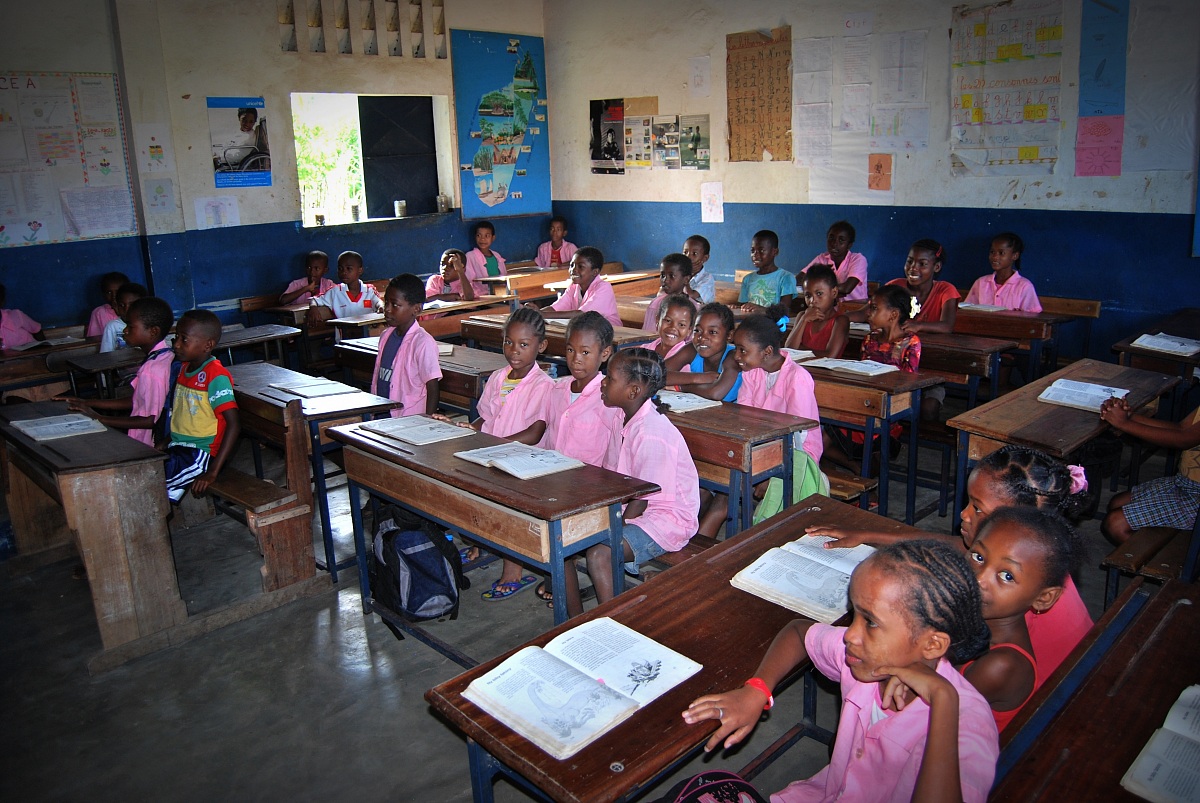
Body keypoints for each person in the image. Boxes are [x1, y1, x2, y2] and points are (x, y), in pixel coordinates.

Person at [682, 539, 997, 802]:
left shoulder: (967, 726)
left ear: (932, 645)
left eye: (870, 622)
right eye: (854, 615)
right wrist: (757, 689)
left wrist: (943, 699)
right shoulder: (867, 659)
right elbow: (798, 633)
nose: (850, 635)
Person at [808, 444, 1095, 680]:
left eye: (978, 508)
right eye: (969, 502)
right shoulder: (1032, 561)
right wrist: (866, 534)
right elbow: (956, 546)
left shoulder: (1023, 594)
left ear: (1016, 523)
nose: (964, 515)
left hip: (1041, 708)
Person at [564, 348, 697, 617]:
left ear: (633, 391)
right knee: (562, 538)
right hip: (630, 507)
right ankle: (575, 620)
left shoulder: (652, 432)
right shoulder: (620, 417)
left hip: (665, 520)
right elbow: (613, 473)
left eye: (610, 378)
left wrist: (610, 526)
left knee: (600, 553)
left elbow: (643, 498)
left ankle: (617, 624)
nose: (602, 381)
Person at [697, 313, 822, 537]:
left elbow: (799, 435)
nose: (736, 356)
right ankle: (692, 550)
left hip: (795, 455)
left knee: (726, 495)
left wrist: (770, 472)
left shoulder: (797, 378)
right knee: (705, 481)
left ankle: (702, 558)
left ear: (766, 352)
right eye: (736, 348)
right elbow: (744, 417)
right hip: (758, 446)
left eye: (743, 350)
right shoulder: (753, 373)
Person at [534, 312, 624, 607]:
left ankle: (575, 614)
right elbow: (548, 439)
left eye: (586, 352)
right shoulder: (557, 389)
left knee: (558, 544)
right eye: (571, 350)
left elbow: (613, 454)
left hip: (589, 492)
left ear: (605, 353)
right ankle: (566, 603)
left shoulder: (608, 398)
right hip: (553, 485)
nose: (576, 359)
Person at [963, 506, 1081, 731]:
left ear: (1044, 598)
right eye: (978, 557)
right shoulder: (977, 621)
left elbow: (922, 715)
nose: (979, 578)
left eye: (1006, 575)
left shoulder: (1002, 665)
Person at [469, 307, 554, 601]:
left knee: (512, 510)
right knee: (474, 491)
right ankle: (483, 541)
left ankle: (513, 568)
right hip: (493, 453)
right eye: (508, 342)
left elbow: (536, 432)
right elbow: (484, 417)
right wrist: (466, 432)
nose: (514, 351)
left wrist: (498, 446)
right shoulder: (497, 378)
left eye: (523, 345)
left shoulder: (545, 386)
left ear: (540, 347)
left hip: (525, 462)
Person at [823, 285, 921, 472]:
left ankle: (867, 481)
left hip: (889, 409)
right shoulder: (870, 339)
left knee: (874, 456)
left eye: (874, 308)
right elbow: (863, 371)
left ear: (893, 315)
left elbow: (908, 382)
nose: (868, 313)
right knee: (822, 441)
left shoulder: (911, 342)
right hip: (862, 403)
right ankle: (855, 468)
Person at [64, 296, 175, 446]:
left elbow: (149, 420)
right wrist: (88, 402)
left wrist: (99, 418)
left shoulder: (152, 370)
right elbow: (137, 401)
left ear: (153, 332)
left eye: (130, 326)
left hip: (147, 442)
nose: (125, 331)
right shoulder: (165, 355)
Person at [1099, 396, 1200, 545]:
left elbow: (1184, 438)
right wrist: (1129, 417)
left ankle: (1166, 564)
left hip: (1196, 495)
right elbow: (1181, 428)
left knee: (1116, 524)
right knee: (1117, 503)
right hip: (1185, 483)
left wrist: (1123, 423)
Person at [162, 310, 239, 502]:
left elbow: (234, 424)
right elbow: (184, 416)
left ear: (208, 345)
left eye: (184, 339)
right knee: (147, 472)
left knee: (153, 484)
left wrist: (213, 472)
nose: (176, 344)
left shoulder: (215, 376)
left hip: (200, 453)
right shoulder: (184, 369)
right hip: (179, 446)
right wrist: (163, 443)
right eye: (176, 337)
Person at [879, 238, 958, 420]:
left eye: (922, 264)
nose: (913, 268)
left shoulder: (945, 290)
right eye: (909, 261)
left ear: (936, 268)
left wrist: (918, 325)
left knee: (928, 407)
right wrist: (842, 317)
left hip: (928, 368)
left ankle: (918, 444)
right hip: (893, 366)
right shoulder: (895, 287)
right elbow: (868, 311)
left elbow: (947, 325)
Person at [371, 273, 441, 418]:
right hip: (382, 412)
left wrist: (429, 421)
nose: (388, 309)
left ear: (416, 309)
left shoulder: (423, 342)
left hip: (409, 418)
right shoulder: (386, 336)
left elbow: (432, 387)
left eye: (395, 305)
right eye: (386, 303)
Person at [667, 302, 742, 402]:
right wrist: (698, 378)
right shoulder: (692, 350)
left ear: (729, 335)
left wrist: (682, 388)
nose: (702, 338)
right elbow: (656, 373)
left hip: (732, 415)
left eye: (712, 332)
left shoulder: (733, 357)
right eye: (697, 330)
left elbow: (715, 393)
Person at [538, 246, 622, 328]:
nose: (573, 270)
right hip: (586, 331)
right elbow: (555, 308)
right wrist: (534, 313)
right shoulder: (574, 287)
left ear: (595, 272)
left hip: (611, 333)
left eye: (580, 267)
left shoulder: (604, 287)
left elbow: (582, 314)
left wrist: (543, 314)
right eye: (571, 265)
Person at [307, 250, 383, 340]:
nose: (344, 272)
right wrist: (313, 308)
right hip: (345, 342)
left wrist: (381, 307)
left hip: (369, 339)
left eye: (349, 268)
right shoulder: (335, 291)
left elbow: (379, 302)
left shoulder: (369, 290)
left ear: (360, 270)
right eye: (340, 269)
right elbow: (314, 299)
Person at [963, 232, 1041, 312]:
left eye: (1001, 253)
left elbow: (1033, 318)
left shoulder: (1024, 286)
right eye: (992, 252)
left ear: (1015, 256)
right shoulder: (981, 283)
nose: (995, 257)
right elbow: (968, 310)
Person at [785, 264, 849, 358]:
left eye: (819, 294)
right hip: (800, 370)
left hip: (824, 372)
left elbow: (829, 356)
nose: (812, 301)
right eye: (808, 295)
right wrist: (803, 320)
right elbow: (789, 349)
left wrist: (800, 349)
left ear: (834, 292)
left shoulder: (840, 321)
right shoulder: (802, 316)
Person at [801, 220, 868, 302]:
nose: (834, 243)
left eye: (841, 240)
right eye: (831, 238)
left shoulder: (858, 259)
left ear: (849, 245)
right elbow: (800, 279)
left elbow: (846, 289)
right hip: (830, 309)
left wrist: (818, 289)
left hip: (854, 309)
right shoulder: (822, 258)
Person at [737, 230, 796, 314]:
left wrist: (763, 310)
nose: (755, 255)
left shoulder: (785, 277)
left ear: (775, 252)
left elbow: (783, 310)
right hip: (751, 324)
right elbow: (744, 307)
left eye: (761, 250)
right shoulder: (748, 279)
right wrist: (738, 307)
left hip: (773, 326)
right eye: (752, 251)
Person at [641, 253, 700, 331]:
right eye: (662, 275)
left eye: (672, 276)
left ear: (686, 279)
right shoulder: (655, 304)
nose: (665, 280)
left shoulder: (694, 308)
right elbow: (647, 335)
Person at [648, 293, 697, 371]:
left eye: (681, 325)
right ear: (658, 319)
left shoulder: (686, 361)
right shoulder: (645, 349)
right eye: (668, 320)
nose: (673, 328)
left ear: (689, 330)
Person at [99, 282, 148, 353]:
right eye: (121, 305)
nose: (126, 309)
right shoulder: (112, 326)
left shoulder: (149, 324)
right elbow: (105, 354)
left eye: (132, 305)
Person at [464, 220, 506, 296]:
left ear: (493, 238)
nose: (482, 239)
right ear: (475, 237)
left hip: (500, 292)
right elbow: (468, 280)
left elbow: (504, 277)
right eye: (479, 235)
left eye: (487, 236)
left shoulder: (497, 256)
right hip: (481, 296)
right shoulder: (470, 256)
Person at [0, 283, 46, 351]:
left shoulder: (16, 315)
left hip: (33, 356)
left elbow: (37, 331)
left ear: (2, 301)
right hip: (9, 360)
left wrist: (45, 350)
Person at [85, 272, 130, 337]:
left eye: (117, 291)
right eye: (109, 292)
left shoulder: (134, 308)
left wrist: (120, 313)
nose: (114, 296)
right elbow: (93, 338)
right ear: (103, 294)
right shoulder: (98, 313)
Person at [682, 235, 717, 303]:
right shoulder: (679, 273)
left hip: (702, 312)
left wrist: (685, 276)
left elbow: (691, 296)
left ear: (705, 258)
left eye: (694, 254)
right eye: (685, 252)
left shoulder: (707, 278)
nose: (688, 256)